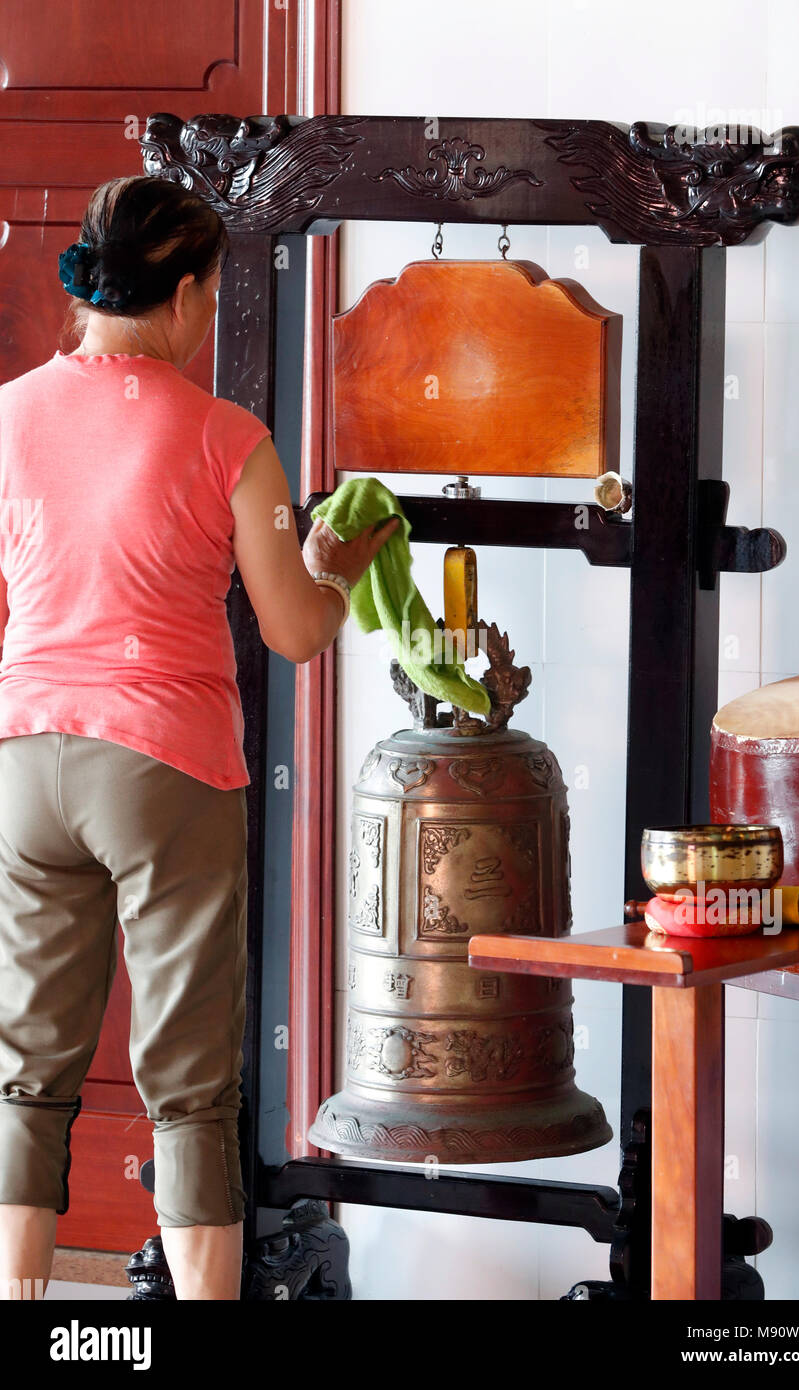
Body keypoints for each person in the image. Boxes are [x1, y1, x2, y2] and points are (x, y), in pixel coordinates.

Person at [0, 175, 397, 1301]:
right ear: (181, 295)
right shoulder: (231, 439)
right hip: (163, 767)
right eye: (210, 296)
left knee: (26, 1071)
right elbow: (293, 629)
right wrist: (332, 567)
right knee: (187, 1086)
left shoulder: (6, 416)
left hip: (25, 758)